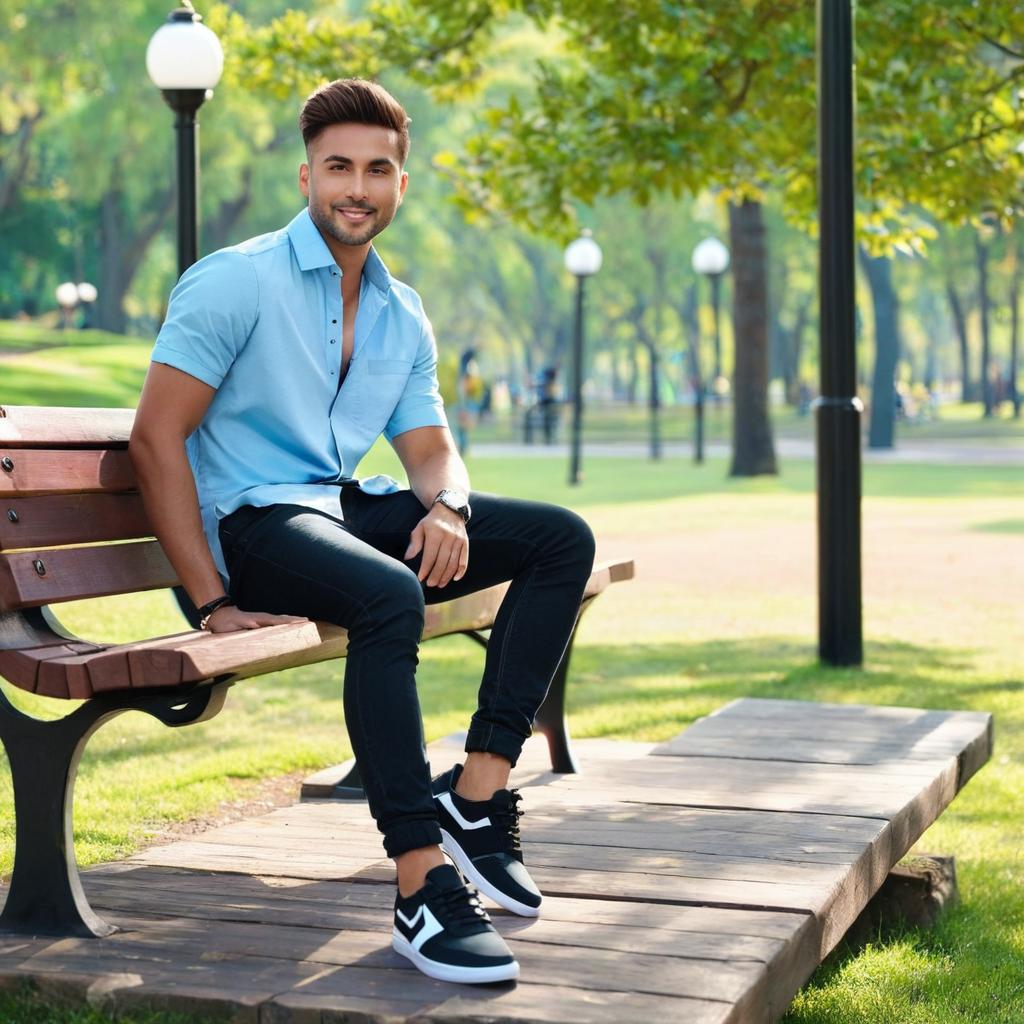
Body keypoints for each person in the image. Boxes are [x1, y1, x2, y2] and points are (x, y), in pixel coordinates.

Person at [128, 78, 595, 986]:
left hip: (338, 510)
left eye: (377, 169)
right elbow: (156, 437)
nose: (357, 186)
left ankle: (478, 794)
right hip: (253, 529)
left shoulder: (399, 308)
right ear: (306, 176)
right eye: (338, 166)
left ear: (400, 185)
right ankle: (420, 885)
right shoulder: (237, 280)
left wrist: (449, 505)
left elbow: (430, 450)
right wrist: (211, 601)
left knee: (558, 540)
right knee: (389, 595)